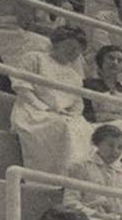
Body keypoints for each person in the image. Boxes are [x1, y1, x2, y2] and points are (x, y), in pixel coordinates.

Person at [8, 25, 92, 176]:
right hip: (33, 110)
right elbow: (22, 87)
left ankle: (74, 178)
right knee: (61, 126)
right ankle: (50, 178)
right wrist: (45, 108)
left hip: (65, 115)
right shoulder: (34, 58)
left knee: (84, 130)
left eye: (77, 50)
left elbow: (77, 104)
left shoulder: (75, 76)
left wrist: (70, 114)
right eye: (69, 46)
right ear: (57, 42)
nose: (73, 52)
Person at [82, 45, 122, 152]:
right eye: (110, 58)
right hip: (98, 128)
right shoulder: (88, 84)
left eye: (119, 60)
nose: (115, 62)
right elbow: (84, 112)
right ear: (101, 61)